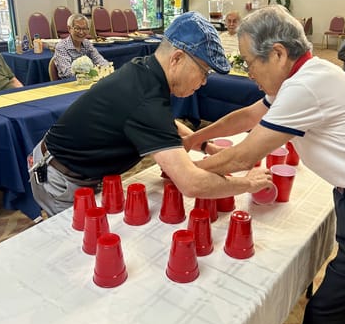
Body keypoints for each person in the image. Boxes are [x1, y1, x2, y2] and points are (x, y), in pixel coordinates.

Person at [185, 5, 345, 324]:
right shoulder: (304, 77)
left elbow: (242, 157)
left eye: (250, 62)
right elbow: (246, 118)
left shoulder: (306, 86)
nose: (249, 72)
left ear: (278, 53)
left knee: (327, 318)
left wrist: (187, 171)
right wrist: (196, 139)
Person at [29, 11, 272, 216]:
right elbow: (191, 183)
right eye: (204, 72)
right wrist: (249, 183)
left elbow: (164, 122)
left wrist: (206, 146)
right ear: (177, 59)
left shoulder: (146, 69)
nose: (204, 82)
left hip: (75, 169)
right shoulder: (145, 99)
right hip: (59, 178)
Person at [53, 13, 110, 79]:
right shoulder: (61, 47)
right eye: (77, 28)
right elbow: (68, 73)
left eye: (85, 29)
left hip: (87, 81)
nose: (81, 32)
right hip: (69, 84)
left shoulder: (87, 43)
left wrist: (106, 68)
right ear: (69, 29)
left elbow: (99, 60)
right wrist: (93, 72)